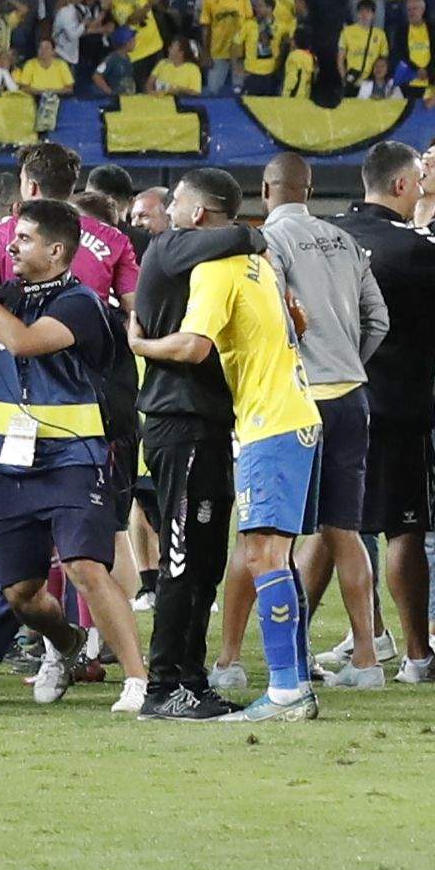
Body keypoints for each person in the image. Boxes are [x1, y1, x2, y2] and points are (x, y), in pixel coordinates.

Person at [132, 168, 315, 722]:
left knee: (213, 561)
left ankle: (196, 679)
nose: (167, 214)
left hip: (227, 423)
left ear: (197, 213)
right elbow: (207, 342)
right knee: (191, 559)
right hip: (185, 422)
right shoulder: (185, 254)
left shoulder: (232, 263)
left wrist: (138, 342)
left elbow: (205, 343)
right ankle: (165, 686)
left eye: (175, 203)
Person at [0, 197, 150, 712]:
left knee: (84, 566)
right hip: (10, 462)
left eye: (24, 239)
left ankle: (138, 680)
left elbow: (24, 343)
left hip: (74, 457)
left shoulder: (80, 303)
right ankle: (68, 645)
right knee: (21, 593)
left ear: (55, 251)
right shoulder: (6, 297)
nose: (11, 247)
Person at [334, 141, 435, 684]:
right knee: (404, 530)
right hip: (398, 410)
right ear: (399, 186)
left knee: (329, 529)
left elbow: (419, 242)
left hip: (335, 404)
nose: (421, 188)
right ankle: (418, 656)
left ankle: (311, 655)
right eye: (417, 179)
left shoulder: (334, 235)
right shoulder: (410, 249)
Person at [255, 150, 388, 688]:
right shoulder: (345, 240)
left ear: (266, 190)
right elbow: (378, 319)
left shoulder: (270, 241)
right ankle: (367, 659)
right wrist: (350, 361)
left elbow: (279, 315)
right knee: (345, 532)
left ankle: (291, 661)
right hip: (351, 396)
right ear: (308, 191)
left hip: (298, 400)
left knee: (277, 535)